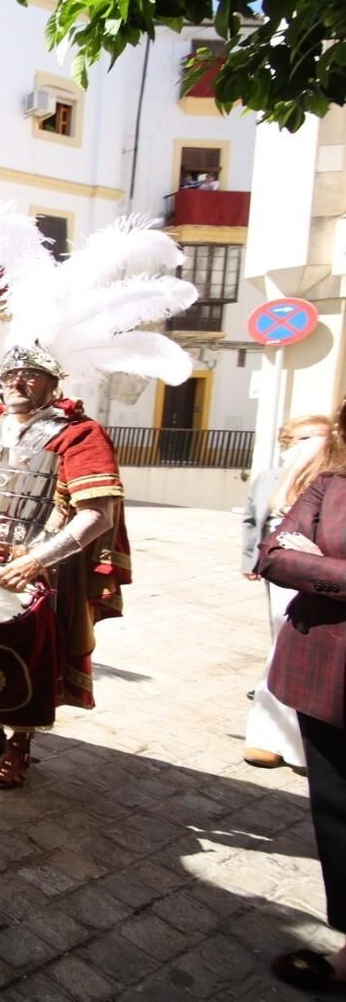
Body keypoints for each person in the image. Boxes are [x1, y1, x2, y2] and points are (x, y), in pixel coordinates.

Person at [0, 202, 197, 789]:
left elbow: (96, 515)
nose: (18, 383)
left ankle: (21, 744)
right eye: (11, 375)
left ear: (54, 382)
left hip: (42, 565)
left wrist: (35, 560)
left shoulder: (80, 433)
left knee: (31, 652)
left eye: (32, 376)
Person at [260, 404, 346, 993]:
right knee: (338, 813)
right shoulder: (329, 485)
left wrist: (324, 566)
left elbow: (303, 558)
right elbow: (275, 555)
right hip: (327, 671)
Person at [240, 414, 333, 769]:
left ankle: (298, 742)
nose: (312, 445)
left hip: (322, 582)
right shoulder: (280, 477)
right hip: (288, 577)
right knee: (284, 646)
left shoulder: (331, 479)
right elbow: (257, 519)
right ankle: (269, 736)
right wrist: (252, 560)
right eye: (305, 438)